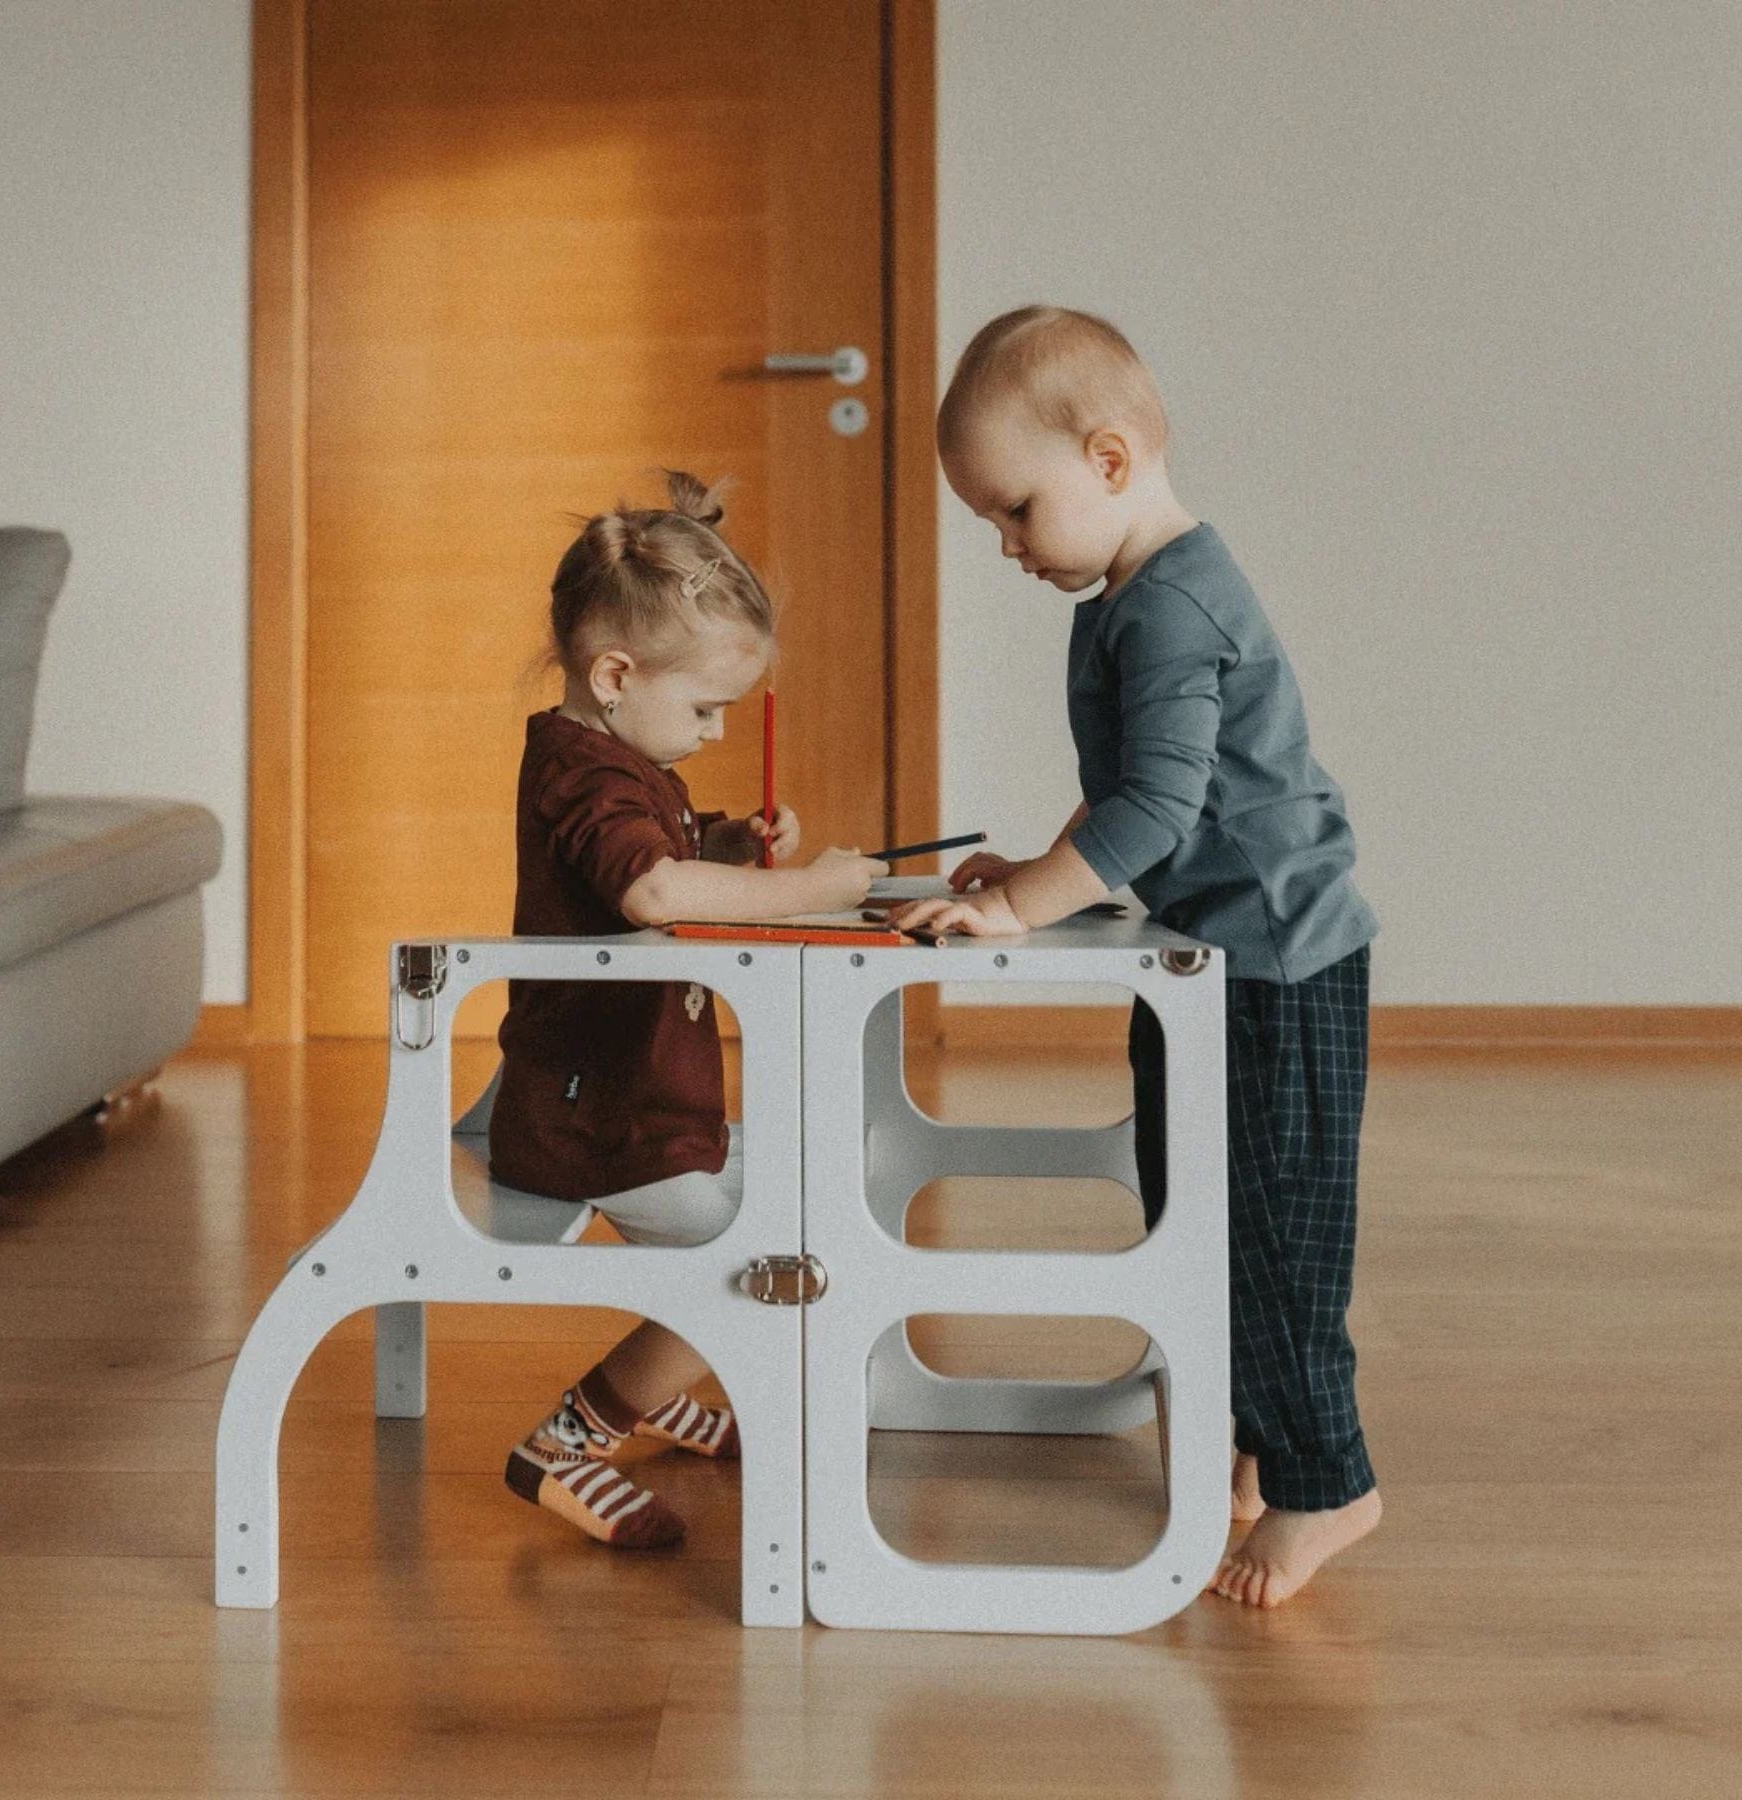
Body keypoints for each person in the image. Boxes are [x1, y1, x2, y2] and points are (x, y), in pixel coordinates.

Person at [888, 307, 1382, 1608]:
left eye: (1013, 511)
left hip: (1277, 955)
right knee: (1193, 1204)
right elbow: (1133, 794)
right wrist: (1037, 871)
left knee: (1273, 1230)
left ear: (1108, 460)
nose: (1004, 546)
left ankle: (1331, 1483)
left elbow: (1158, 813)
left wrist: (1023, 911)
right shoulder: (1129, 594)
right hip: (1212, 953)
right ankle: (1259, 1447)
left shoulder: (1167, 608)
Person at [489, 470, 886, 1548]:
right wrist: (807, 890)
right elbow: (649, 891)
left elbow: (656, 863)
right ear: (615, 673)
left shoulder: (620, 762)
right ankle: (568, 1439)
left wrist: (715, 843)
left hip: (650, 1100)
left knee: (809, 1203)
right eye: (704, 707)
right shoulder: (586, 774)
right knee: (758, 1270)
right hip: (600, 1115)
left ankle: (654, 1387)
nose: (714, 732)